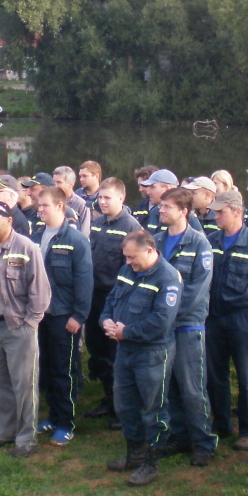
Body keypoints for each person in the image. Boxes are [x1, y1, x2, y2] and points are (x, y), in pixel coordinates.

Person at [0, 201, 52, 457]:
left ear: (9, 221)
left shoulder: (26, 248)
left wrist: (30, 324)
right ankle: (4, 432)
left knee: (24, 385)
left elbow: (40, 291)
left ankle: (26, 439)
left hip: (18, 328)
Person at [102, 230, 182, 486]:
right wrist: (106, 320)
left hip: (152, 353)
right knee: (125, 404)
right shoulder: (127, 271)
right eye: (126, 257)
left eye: (132, 257)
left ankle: (151, 462)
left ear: (149, 251)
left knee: (153, 408)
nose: (128, 262)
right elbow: (111, 299)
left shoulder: (168, 278)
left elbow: (161, 320)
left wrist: (126, 332)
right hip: (125, 350)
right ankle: (134, 455)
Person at [152, 188, 216, 466]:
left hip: (188, 326)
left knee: (192, 388)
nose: (161, 210)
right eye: (161, 206)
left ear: (184, 211)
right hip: (162, 327)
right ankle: (180, 436)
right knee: (170, 386)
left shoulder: (200, 244)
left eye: (167, 207)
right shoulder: (156, 241)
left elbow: (196, 291)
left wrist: (165, 313)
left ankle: (203, 442)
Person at [32, 186, 93, 446]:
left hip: (64, 316)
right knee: (46, 368)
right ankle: (53, 416)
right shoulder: (37, 236)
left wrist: (79, 316)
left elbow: (84, 281)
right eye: (39, 205)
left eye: (45, 205)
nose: (40, 209)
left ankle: (66, 423)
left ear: (60, 206)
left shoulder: (75, 240)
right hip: (41, 315)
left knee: (64, 370)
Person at [206, 190, 248, 452]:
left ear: (237, 212)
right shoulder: (211, 240)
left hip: (241, 319)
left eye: (221, 212)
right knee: (215, 374)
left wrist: (244, 298)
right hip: (213, 317)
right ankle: (222, 423)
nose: (215, 216)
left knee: (246, 374)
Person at [85, 177, 142, 420]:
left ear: (121, 198)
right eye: (100, 197)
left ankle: (124, 408)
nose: (102, 201)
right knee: (97, 350)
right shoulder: (98, 223)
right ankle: (108, 399)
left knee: (115, 355)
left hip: (117, 299)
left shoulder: (132, 227)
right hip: (95, 297)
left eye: (107, 197)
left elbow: (133, 269)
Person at [52, 165, 92, 235]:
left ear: (71, 184)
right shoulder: (50, 202)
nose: (55, 186)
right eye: (54, 182)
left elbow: (84, 233)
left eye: (59, 182)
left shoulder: (81, 205)